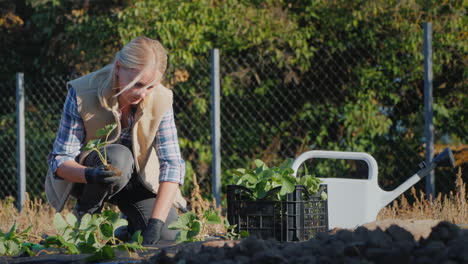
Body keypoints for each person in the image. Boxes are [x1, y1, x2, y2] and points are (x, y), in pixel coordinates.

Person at [45, 37, 186, 245]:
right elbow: (59, 160)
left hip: (138, 181)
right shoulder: (82, 92)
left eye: (150, 86)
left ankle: (124, 232)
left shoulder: (162, 98)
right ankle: (85, 217)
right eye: (137, 84)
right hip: (90, 180)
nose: (142, 93)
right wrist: (90, 175)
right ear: (118, 67)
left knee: (168, 237)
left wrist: (155, 224)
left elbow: (172, 164)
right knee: (119, 157)